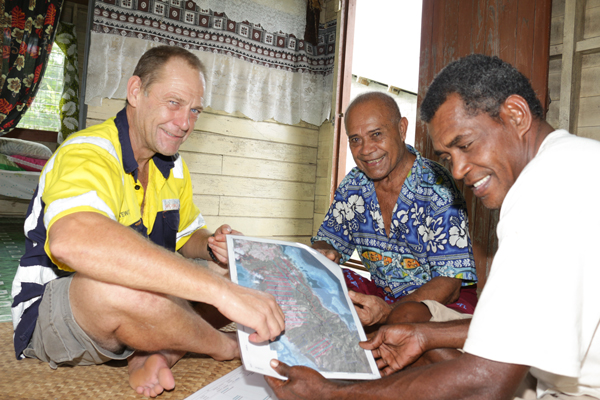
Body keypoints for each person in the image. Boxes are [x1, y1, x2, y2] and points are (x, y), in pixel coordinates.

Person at [266, 54, 600, 399]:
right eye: (448, 155)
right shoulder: (571, 164)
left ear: (516, 115)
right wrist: (425, 335)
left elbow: (486, 383)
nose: (457, 171)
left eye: (465, 145)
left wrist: (331, 395)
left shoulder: (550, 190)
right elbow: (522, 330)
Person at [11, 46, 285, 398]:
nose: (185, 122)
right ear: (135, 91)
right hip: (56, 312)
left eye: (195, 110)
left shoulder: (172, 165)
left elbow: (188, 237)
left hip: (136, 310)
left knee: (232, 270)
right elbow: (72, 241)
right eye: (174, 102)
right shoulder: (87, 152)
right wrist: (221, 293)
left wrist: (215, 244)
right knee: (122, 285)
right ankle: (224, 346)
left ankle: (154, 352)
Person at [312, 91, 477, 327]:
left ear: (401, 129)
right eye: (355, 139)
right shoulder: (354, 185)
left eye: (376, 135)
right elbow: (328, 243)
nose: (366, 150)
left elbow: (449, 285)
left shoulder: (437, 187)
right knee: (316, 282)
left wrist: (389, 312)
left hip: (437, 303)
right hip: (385, 297)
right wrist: (321, 252)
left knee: (404, 319)